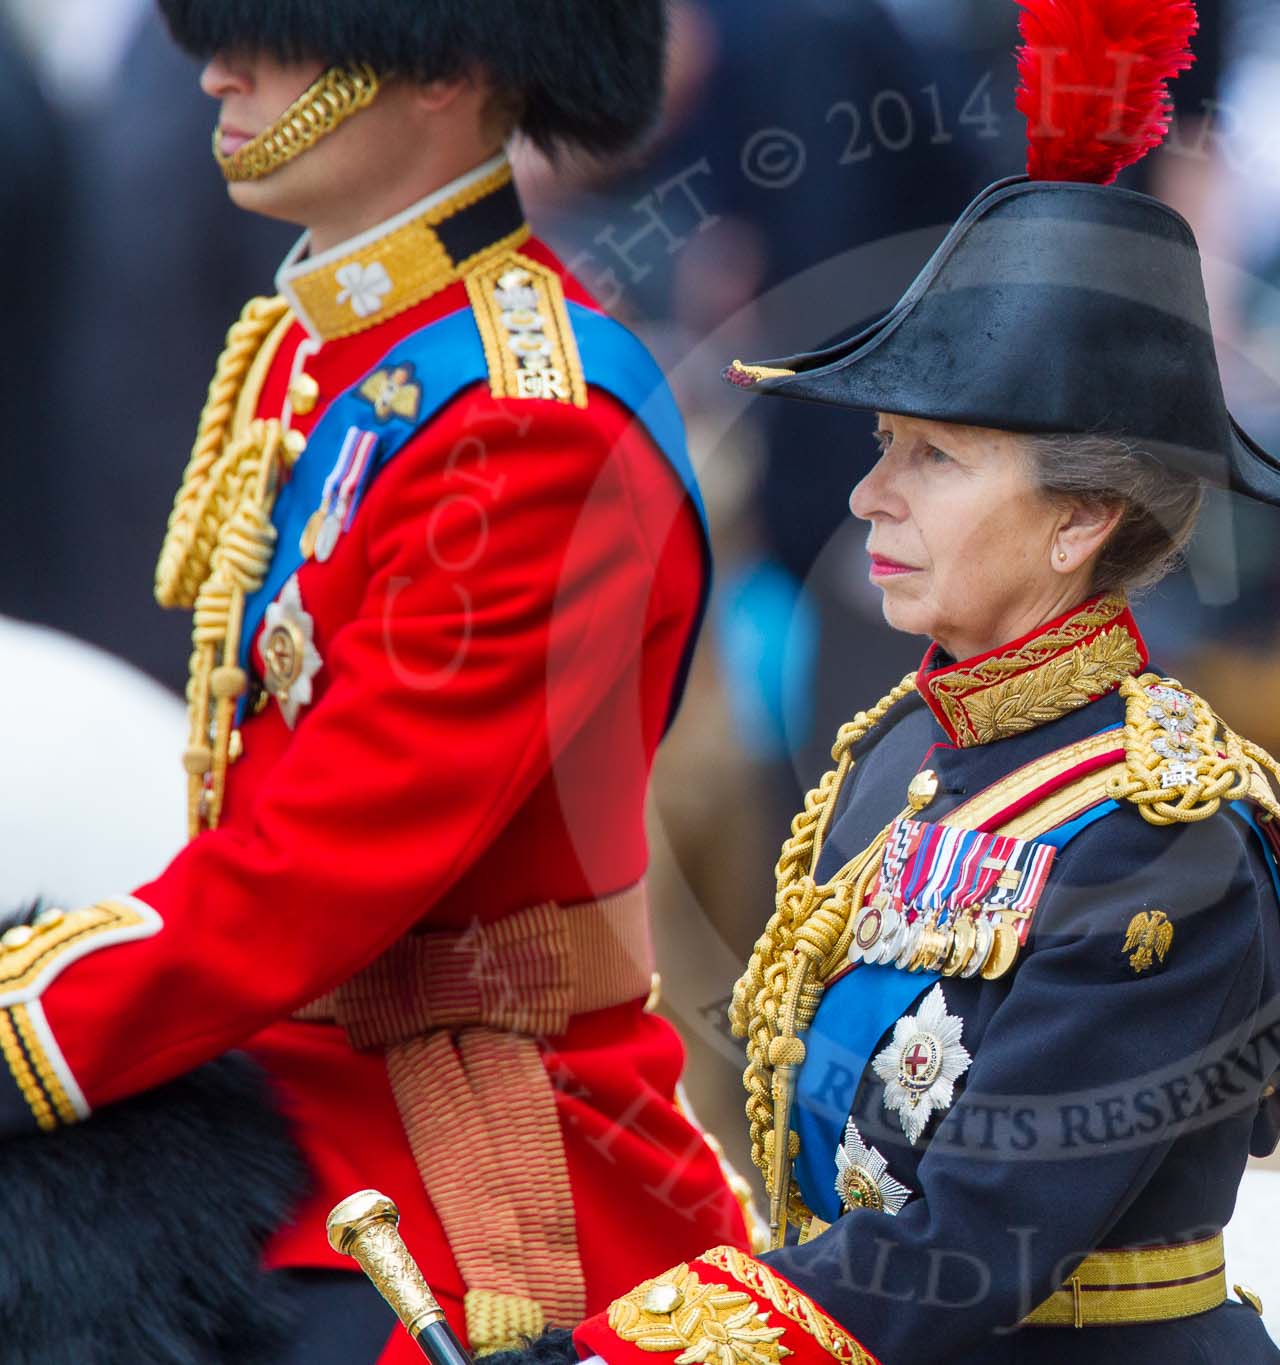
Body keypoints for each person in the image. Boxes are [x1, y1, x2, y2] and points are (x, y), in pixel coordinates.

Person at [487, 1, 1280, 1361]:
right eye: (885, 442)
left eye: (935, 459)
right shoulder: (904, 747)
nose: (869, 493)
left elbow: (969, 1250)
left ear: (1082, 521)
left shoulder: (1165, 837)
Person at [0, 3, 755, 1360]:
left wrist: (17, 1029)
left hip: (465, 1144)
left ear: (450, 65)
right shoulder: (327, 348)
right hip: (270, 1069)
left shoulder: (532, 428)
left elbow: (310, 880)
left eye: (276, 35)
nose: (219, 70)